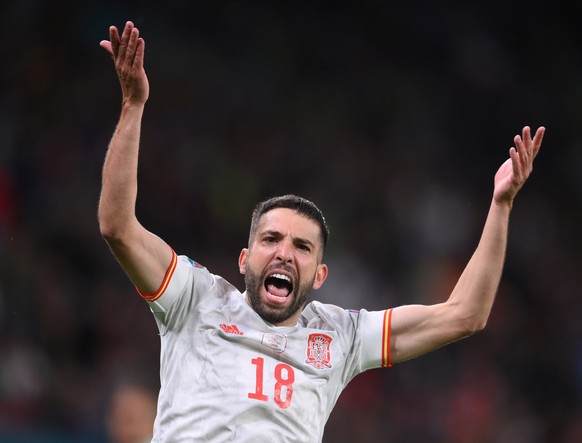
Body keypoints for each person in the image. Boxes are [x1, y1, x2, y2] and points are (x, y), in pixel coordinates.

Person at [98, 21, 545, 443]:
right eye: (270, 239)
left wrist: (500, 205)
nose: (284, 253)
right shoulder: (195, 299)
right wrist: (132, 106)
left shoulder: (339, 337)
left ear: (319, 276)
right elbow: (118, 227)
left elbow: (465, 314)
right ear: (243, 259)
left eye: (302, 246)